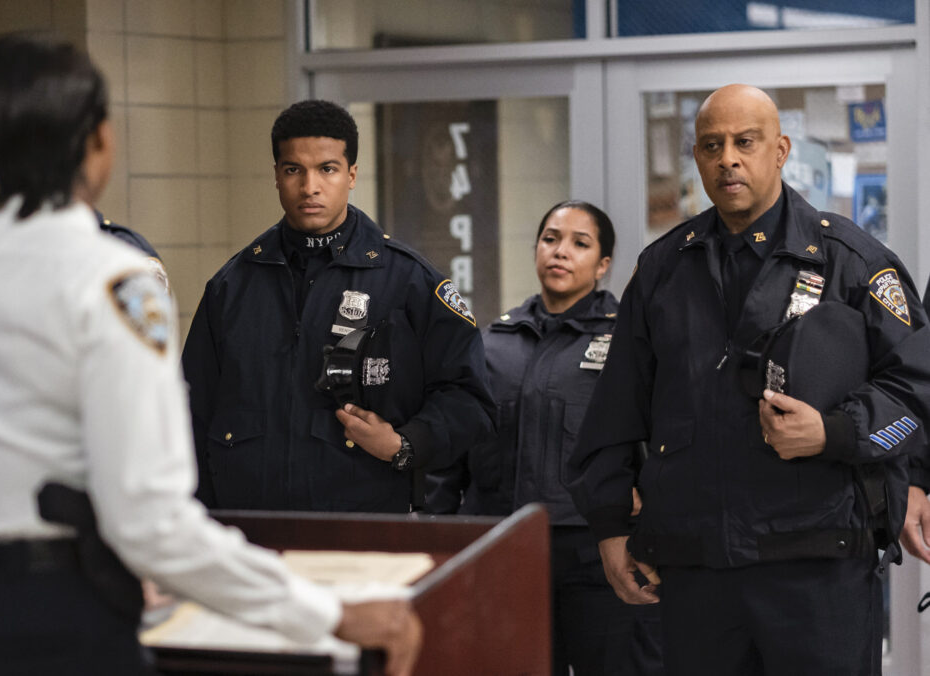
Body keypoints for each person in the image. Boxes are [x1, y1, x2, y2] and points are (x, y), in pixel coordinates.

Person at [0, 36, 420, 676]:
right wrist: (328, 615)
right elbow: (151, 518)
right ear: (100, 141)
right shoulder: (113, 282)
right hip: (58, 614)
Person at [567, 83, 930, 675]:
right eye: (712, 145)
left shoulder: (852, 263)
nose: (727, 158)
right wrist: (610, 526)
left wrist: (835, 432)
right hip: (695, 569)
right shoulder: (663, 270)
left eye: (745, 142)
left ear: (781, 150)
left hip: (818, 565)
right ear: (697, 159)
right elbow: (615, 408)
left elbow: (917, 392)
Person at [182, 99, 495, 513]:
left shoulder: (408, 282)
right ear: (276, 175)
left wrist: (405, 444)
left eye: (327, 169)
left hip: (364, 529)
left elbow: (469, 400)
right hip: (249, 536)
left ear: (351, 175)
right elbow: (191, 412)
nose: (309, 186)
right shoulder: (233, 285)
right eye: (294, 169)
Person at [427, 200, 663, 675]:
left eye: (580, 243)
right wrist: (438, 526)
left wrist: (649, 500)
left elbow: (661, 436)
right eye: (551, 239)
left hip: (599, 550)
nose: (560, 252)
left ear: (602, 265)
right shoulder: (493, 343)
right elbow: (454, 447)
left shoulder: (629, 344)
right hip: (504, 545)